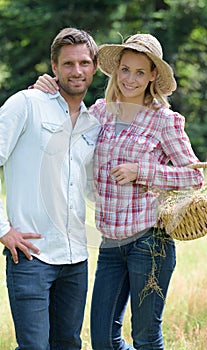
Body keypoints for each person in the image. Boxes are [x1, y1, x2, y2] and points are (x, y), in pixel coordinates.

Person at [34, 33, 204, 349]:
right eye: (125, 69)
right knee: (103, 340)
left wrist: (143, 172)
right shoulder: (100, 113)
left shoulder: (165, 121)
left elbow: (195, 178)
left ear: (154, 75)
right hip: (111, 245)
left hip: (150, 243)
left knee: (145, 338)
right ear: (116, 70)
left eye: (140, 72)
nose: (130, 78)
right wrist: (45, 89)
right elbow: (61, 120)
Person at [0, 27, 100, 350]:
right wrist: (3, 229)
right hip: (31, 255)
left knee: (69, 344)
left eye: (84, 63)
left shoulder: (92, 124)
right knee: (34, 347)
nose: (77, 71)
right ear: (54, 67)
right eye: (68, 64)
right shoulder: (26, 104)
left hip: (76, 259)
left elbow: (94, 185)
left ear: (94, 67)